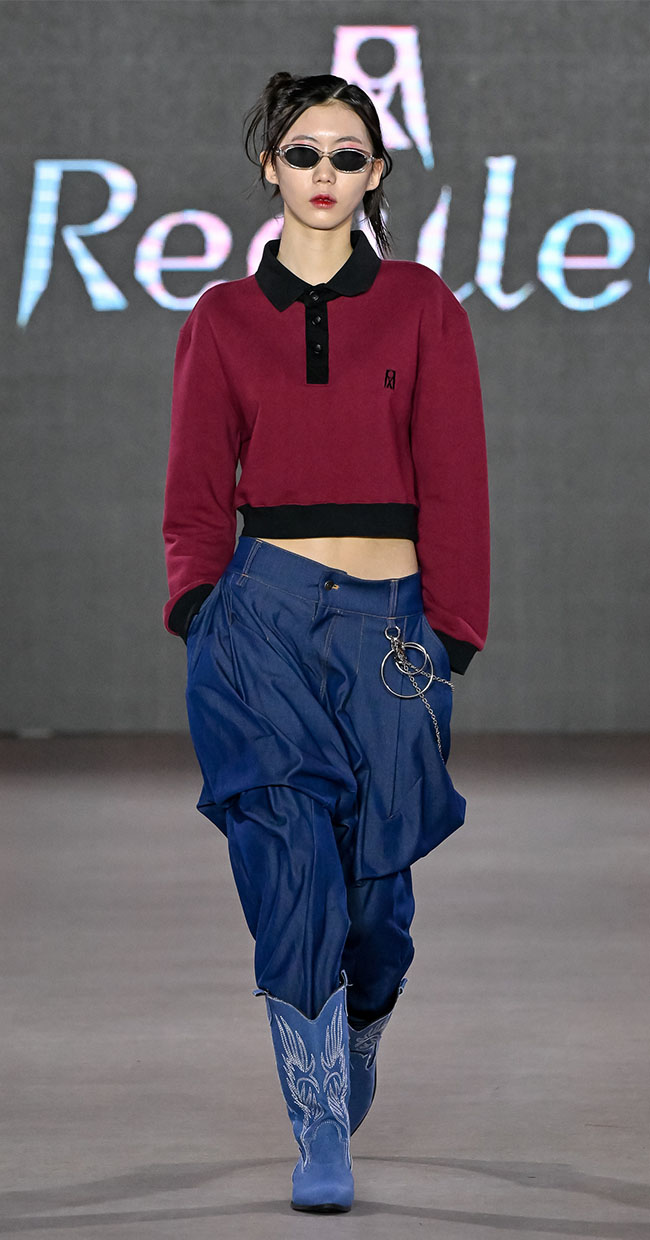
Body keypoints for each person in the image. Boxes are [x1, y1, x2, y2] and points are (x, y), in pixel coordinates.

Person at [161, 70, 490, 1214]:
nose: (323, 174)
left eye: (347, 155)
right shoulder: (221, 317)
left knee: (375, 908)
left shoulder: (419, 304)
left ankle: (361, 1022)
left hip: (389, 629)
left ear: (375, 172)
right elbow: (194, 487)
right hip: (259, 621)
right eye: (302, 152)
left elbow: (454, 476)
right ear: (270, 164)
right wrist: (200, 609)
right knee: (288, 866)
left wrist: (449, 633)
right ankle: (316, 1127)